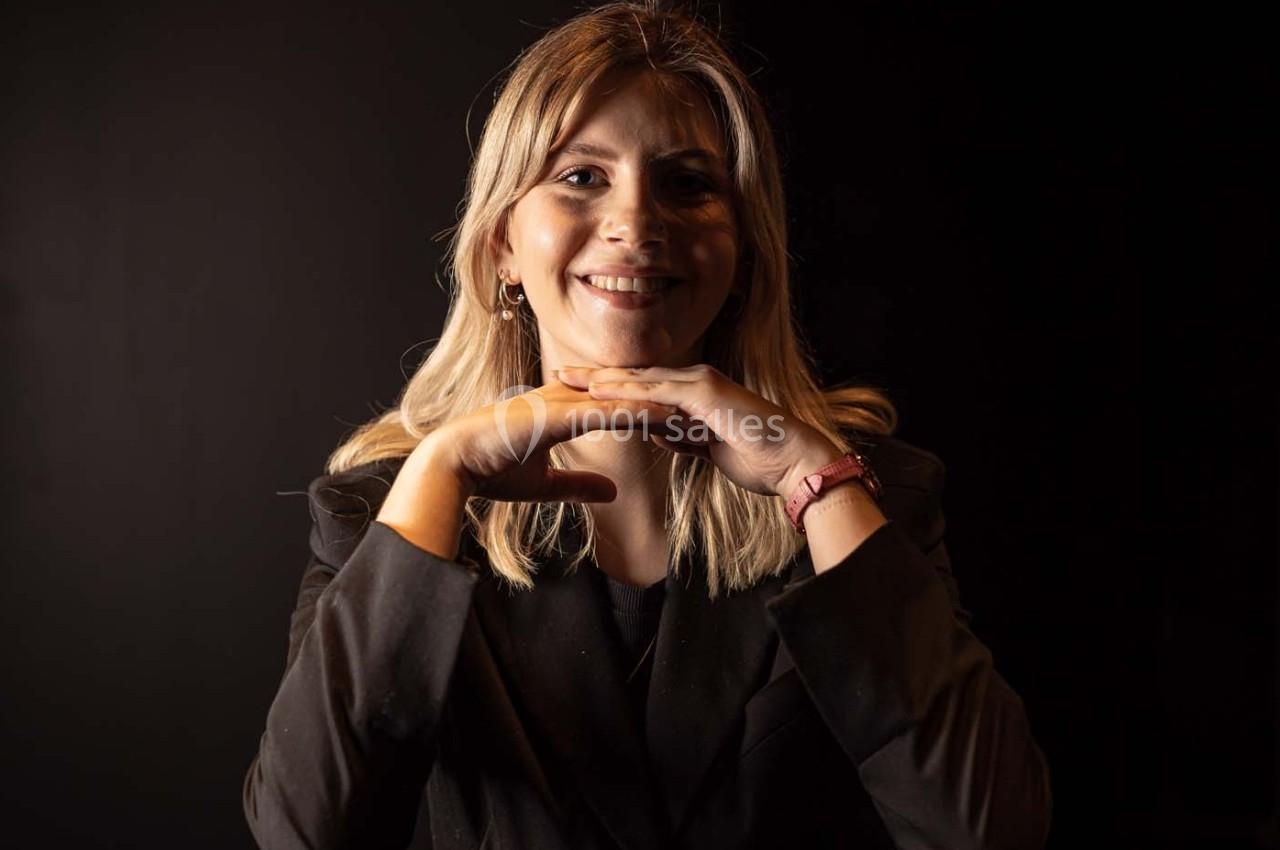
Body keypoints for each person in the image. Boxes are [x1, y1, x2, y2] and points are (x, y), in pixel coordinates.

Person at [242, 2, 1053, 847]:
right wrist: (441, 473)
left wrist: (813, 476)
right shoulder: (384, 509)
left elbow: (991, 830)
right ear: (502, 248)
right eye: (581, 177)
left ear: (742, 254)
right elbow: (304, 832)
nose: (635, 224)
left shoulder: (874, 495)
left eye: (688, 183)